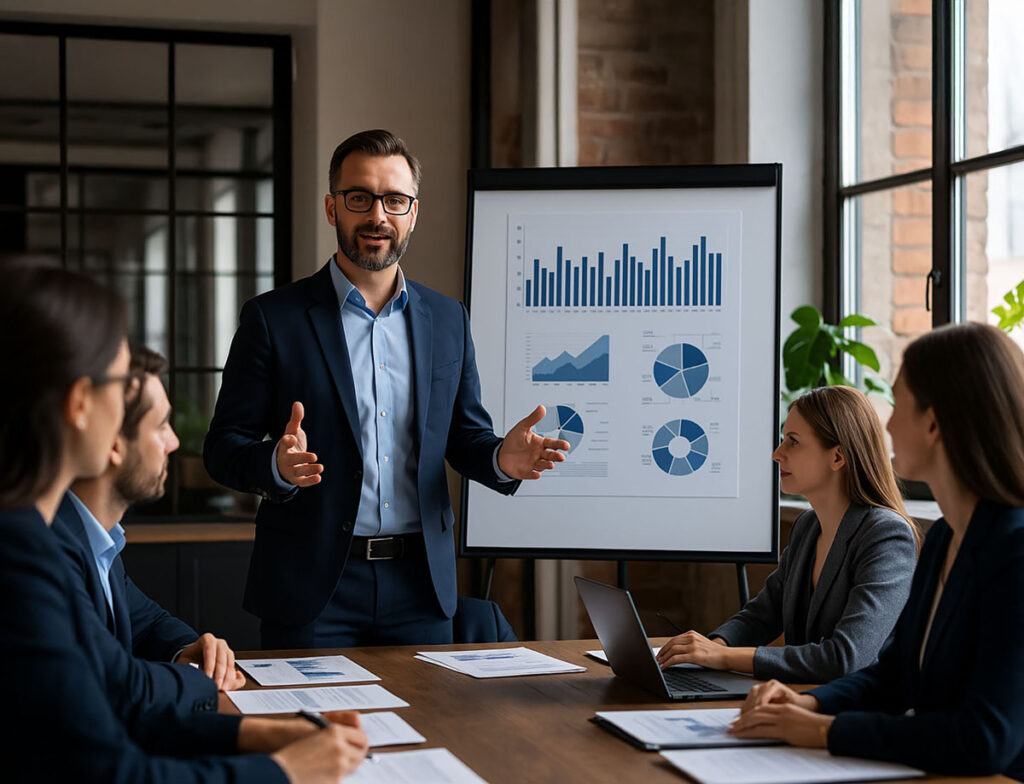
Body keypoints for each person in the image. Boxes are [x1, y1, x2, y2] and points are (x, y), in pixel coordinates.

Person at [0, 264, 367, 782]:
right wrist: (285, 771)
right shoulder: (20, 552)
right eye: (120, 375)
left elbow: (112, 694)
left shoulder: (29, 533)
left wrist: (258, 734)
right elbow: (113, 770)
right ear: (82, 403)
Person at [204, 129, 569, 649]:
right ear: (333, 209)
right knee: (320, 729)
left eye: (394, 200)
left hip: (420, 587)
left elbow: (465, 437)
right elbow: (222, 448)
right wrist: (276, 468)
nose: (378, 215)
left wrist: (500, 461)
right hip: (312, 589)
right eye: (360, 198)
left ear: (412, 213)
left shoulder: (448, 319)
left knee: (429, 730)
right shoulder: (273, 319)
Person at [730, 323, 1024, 780]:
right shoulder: (947, 536)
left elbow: (984, 738)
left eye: (898, 403)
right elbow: (895, 675)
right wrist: (807, 701)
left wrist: (825, 731)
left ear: (934, 423)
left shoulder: (1015, 552)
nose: (885, 425)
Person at [657, 385, 918, 683]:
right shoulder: (808, 527)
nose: (777, 454)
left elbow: (845, 657)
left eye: (793, 442)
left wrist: (721, 657)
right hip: (799, 697)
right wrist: (710, 650)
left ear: (838, 457)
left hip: (854, 714)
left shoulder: (886, 535)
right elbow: (763, 615)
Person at [53, 346, 244, 692]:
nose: (174, 442)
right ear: (114, 445)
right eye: (160, 426)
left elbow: (145, 622)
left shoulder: (98, 537)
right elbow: (109, 686)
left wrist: (190, 649)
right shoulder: (52, 547)